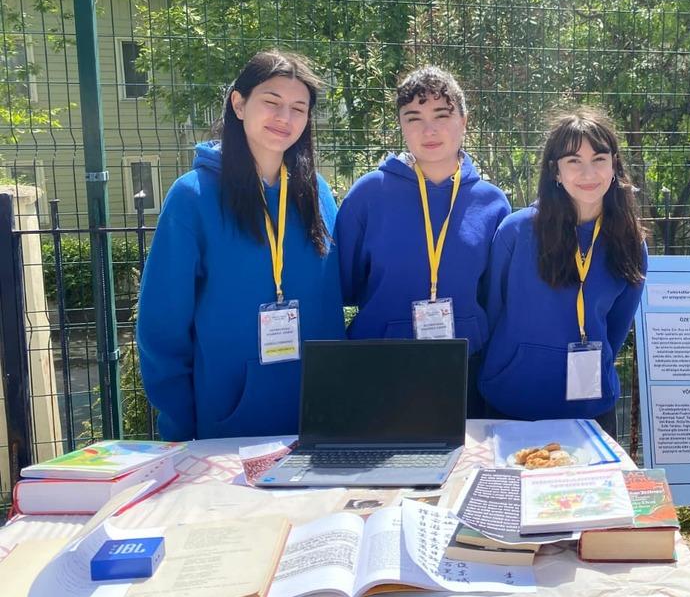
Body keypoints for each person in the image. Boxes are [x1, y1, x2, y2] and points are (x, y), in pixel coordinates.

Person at [137, 50, 344, 440]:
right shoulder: (192, 197)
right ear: (239, 103)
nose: (285, 118)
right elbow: (162, 327)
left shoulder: (319, 195)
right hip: (228, 431)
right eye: (272, 102)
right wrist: (179, 427)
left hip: (320, 423)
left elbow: (333, 303)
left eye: (298, 108)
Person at [335, 66, 510, 416]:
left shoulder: (493, 203)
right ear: (401, 125)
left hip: (465, 367)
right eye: (413, 118)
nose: (429, 130)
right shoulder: (369, 195)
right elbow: (345, 283)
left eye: (441, 115)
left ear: (463, 120)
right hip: (381, 366)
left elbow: (495, 296)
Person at [480, 107, 648, 434]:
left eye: (599, 159)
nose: (588, 173)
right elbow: (493, 309)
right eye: (574, 161)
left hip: (590, 410)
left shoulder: (630, 243)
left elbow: (616, 328)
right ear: (555, 171)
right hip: (510, 403)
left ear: (614, 166)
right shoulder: (516, 232)